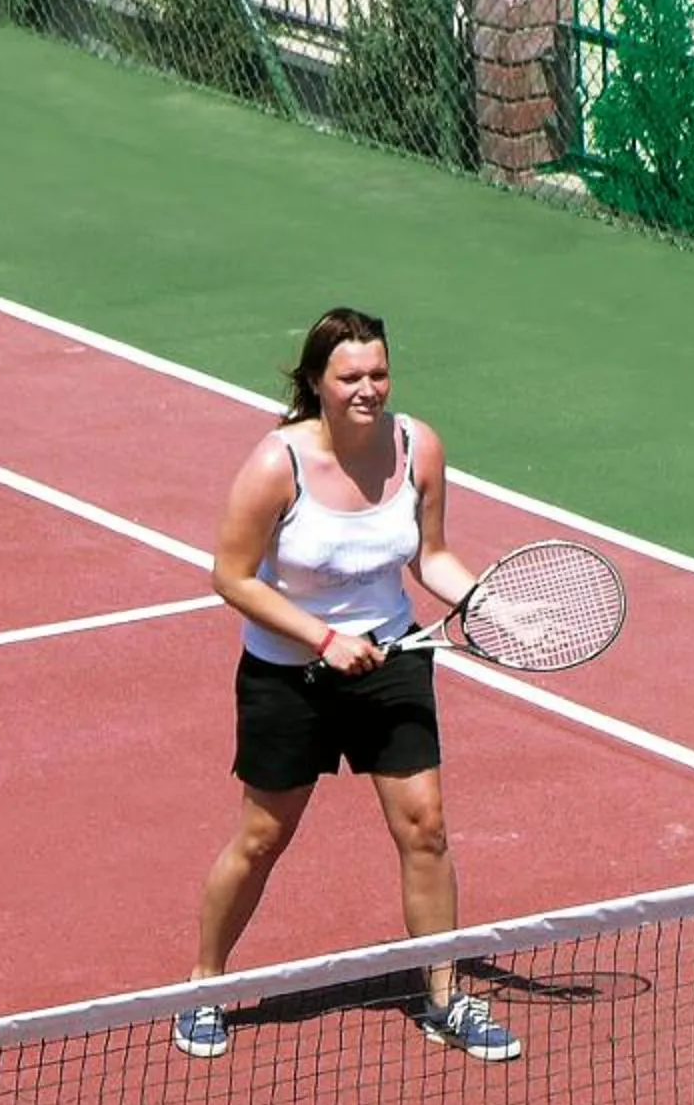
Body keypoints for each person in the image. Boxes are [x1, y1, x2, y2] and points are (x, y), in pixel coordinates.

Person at [174, 306, 519, 1064]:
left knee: (425, 826)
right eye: (351, 376)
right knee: (263, 837)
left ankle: (442, 994)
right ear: (317, 383)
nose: (369, 388)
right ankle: (201, 986)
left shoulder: (417, 445)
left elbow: (431, 557)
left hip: (391, 659)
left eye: (379, 373)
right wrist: (324, 638)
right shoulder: (278, 463)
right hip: (287, 672)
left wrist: (488, 604)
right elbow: (229, 576)